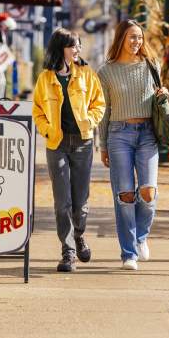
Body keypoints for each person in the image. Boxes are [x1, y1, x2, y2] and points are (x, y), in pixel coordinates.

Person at [32, 29, 105, 272]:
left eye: (79, 46)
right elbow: (37, 110)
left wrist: (90, 121)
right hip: (57, 144)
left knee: (80, 200)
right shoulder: (45, 78)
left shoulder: (86, 74)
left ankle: (80, 235)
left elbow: (99, 103)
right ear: (60, 48)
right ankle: (68, 251)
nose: (77, 50)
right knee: (61, 201)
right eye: (73, 46)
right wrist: (46, 130)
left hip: (82, 142)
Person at [98, 19, 169, 270]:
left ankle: (140, 237)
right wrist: (103, 145)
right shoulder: (106, 71)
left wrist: (163, 97)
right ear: (121, 39)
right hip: (119, 134)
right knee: (125, 194)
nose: (136, 41)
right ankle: (129, 253)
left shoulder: (151, 65)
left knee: (148, 191)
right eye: (131, 37)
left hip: (147, 133)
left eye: (139, 37)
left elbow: (158, 100)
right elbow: (103, 110)